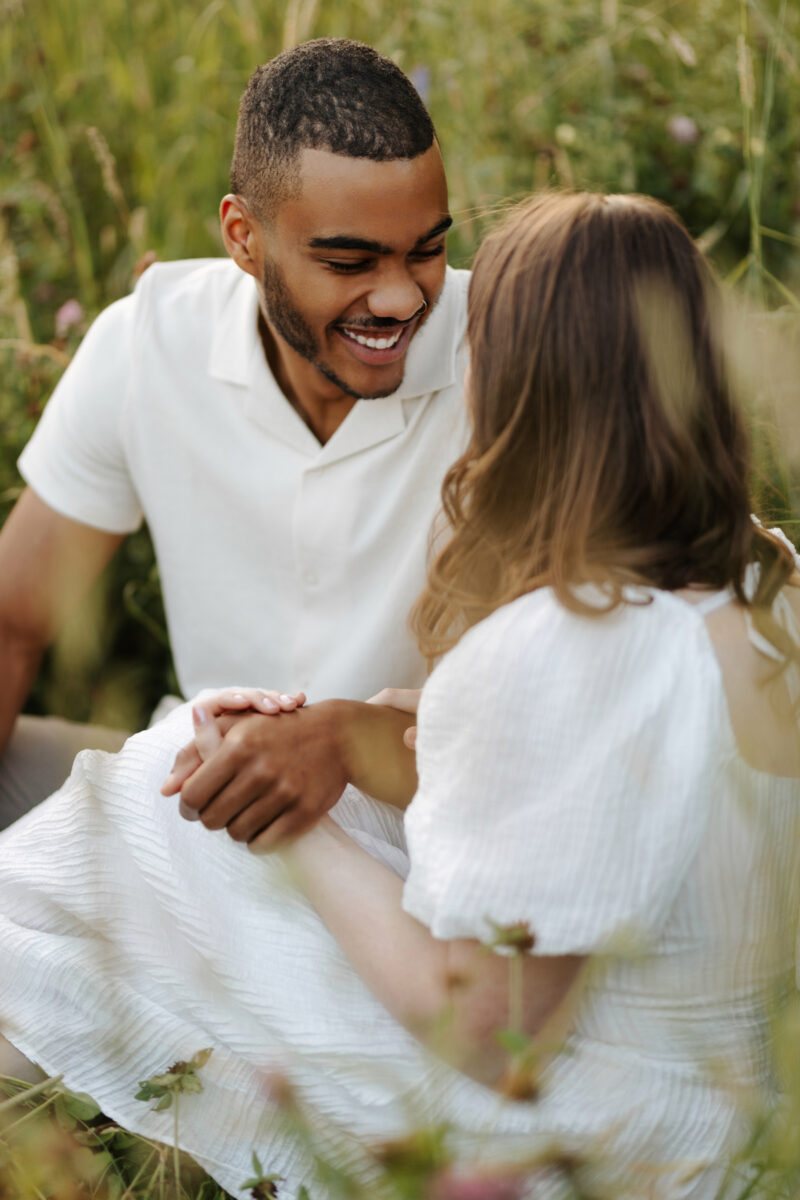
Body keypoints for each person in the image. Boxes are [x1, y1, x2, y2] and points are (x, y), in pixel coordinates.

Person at [2, 190, 800, 1200]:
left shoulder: (571, 640)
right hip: (727, 1113)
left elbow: (484, 1032)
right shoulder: (765, 584)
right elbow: (628, 811)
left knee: (163, 799)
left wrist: (288, 828)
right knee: (196, 774)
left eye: (476, 340)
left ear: (518, 380)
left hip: (586, 1136)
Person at [0, 38, 469, 829]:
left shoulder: (517, 354)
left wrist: (350, 737)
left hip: (417, 816)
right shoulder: (148, 344)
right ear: (243, 237)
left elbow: (567, 711)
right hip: (192, 790)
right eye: (350, 262)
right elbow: (14, 621)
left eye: (426, 251)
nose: (398, 299)